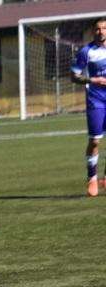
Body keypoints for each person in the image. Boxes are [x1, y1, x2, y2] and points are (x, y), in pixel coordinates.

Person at [70, 17, 106, 197]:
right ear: (93, 31)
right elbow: (74, 75)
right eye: (98, 29)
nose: (101, 32)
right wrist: (93, 79)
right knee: (95, 141)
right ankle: (92, 177)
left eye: (104, 28)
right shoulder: (86, 51)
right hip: (96, 100)